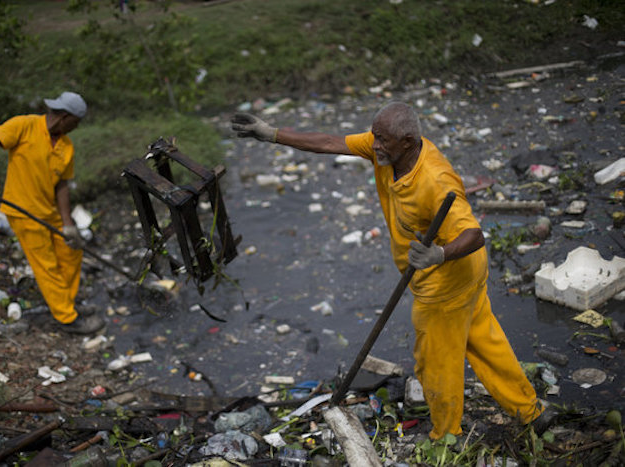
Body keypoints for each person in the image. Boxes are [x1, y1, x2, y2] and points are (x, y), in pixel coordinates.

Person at [231, 102, 557, 439]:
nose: (374, 145)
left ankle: (446, 436)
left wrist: (439, 254)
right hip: (466, 275)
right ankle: (531, 412)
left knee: (435, 362)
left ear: (407, 141)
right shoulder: (385, 151)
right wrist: (271, 134)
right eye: (374, 137)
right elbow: (332, 142)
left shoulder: (434, 178)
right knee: (484, 342)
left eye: (382, 140)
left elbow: (474, 234)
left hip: (445, 281)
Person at [0, 91, 104, 335]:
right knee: (46, 264)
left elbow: (61, 185)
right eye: (76, 122)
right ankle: (67, 319)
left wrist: (68, 223)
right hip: (23, 211)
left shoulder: (66, 146)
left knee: (71, 252)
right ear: (65, 117)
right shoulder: (24, 126)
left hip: (49, 211)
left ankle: (66, 304)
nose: (77, 127)